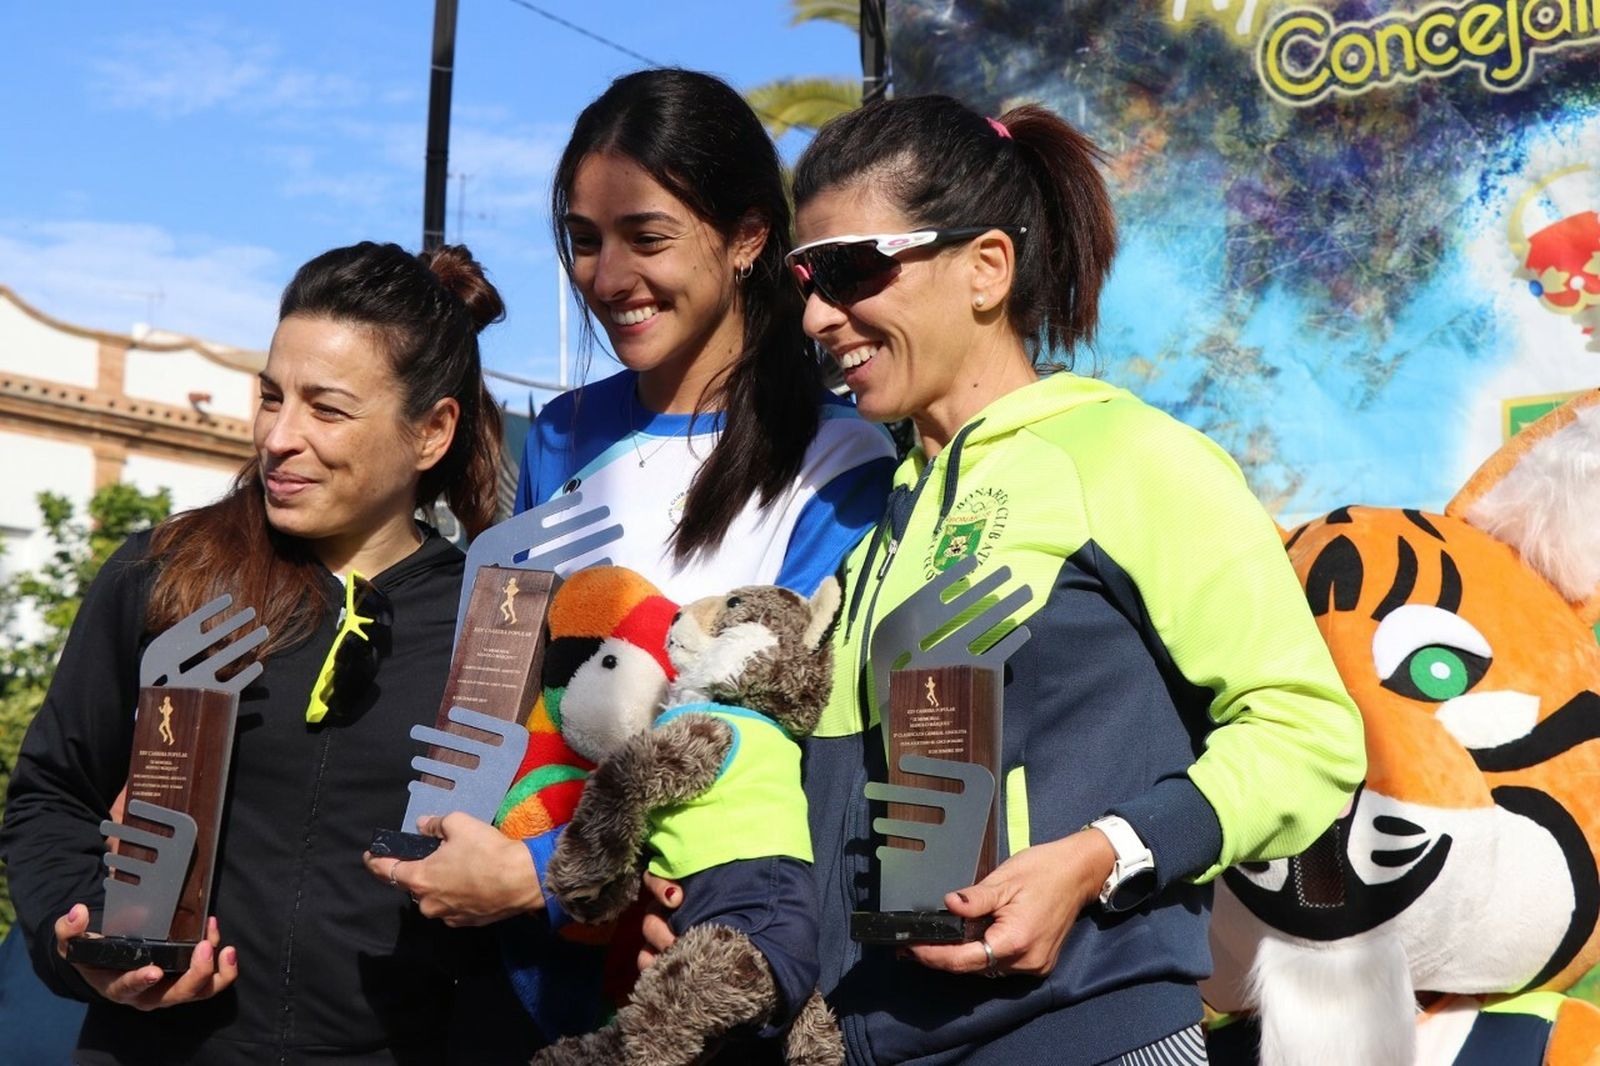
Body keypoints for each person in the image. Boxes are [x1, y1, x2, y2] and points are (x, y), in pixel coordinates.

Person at [635, 95, 1368, 1063]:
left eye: (852, 266)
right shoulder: (871, 522)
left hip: (1086, 1037)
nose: (816, 312)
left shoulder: (1129, 455)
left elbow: (1306, 736)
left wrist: (1100, 854)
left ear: (985, 267)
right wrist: (739, 906)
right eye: (802, 276)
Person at [0, 241, 538, 1063]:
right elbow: (50, 796)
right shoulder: (166, 576)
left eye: (326, 409)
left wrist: (529, 873)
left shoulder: (494, 626)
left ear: (430, 432)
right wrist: (85, 945)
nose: (279, 437)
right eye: (270, 396)